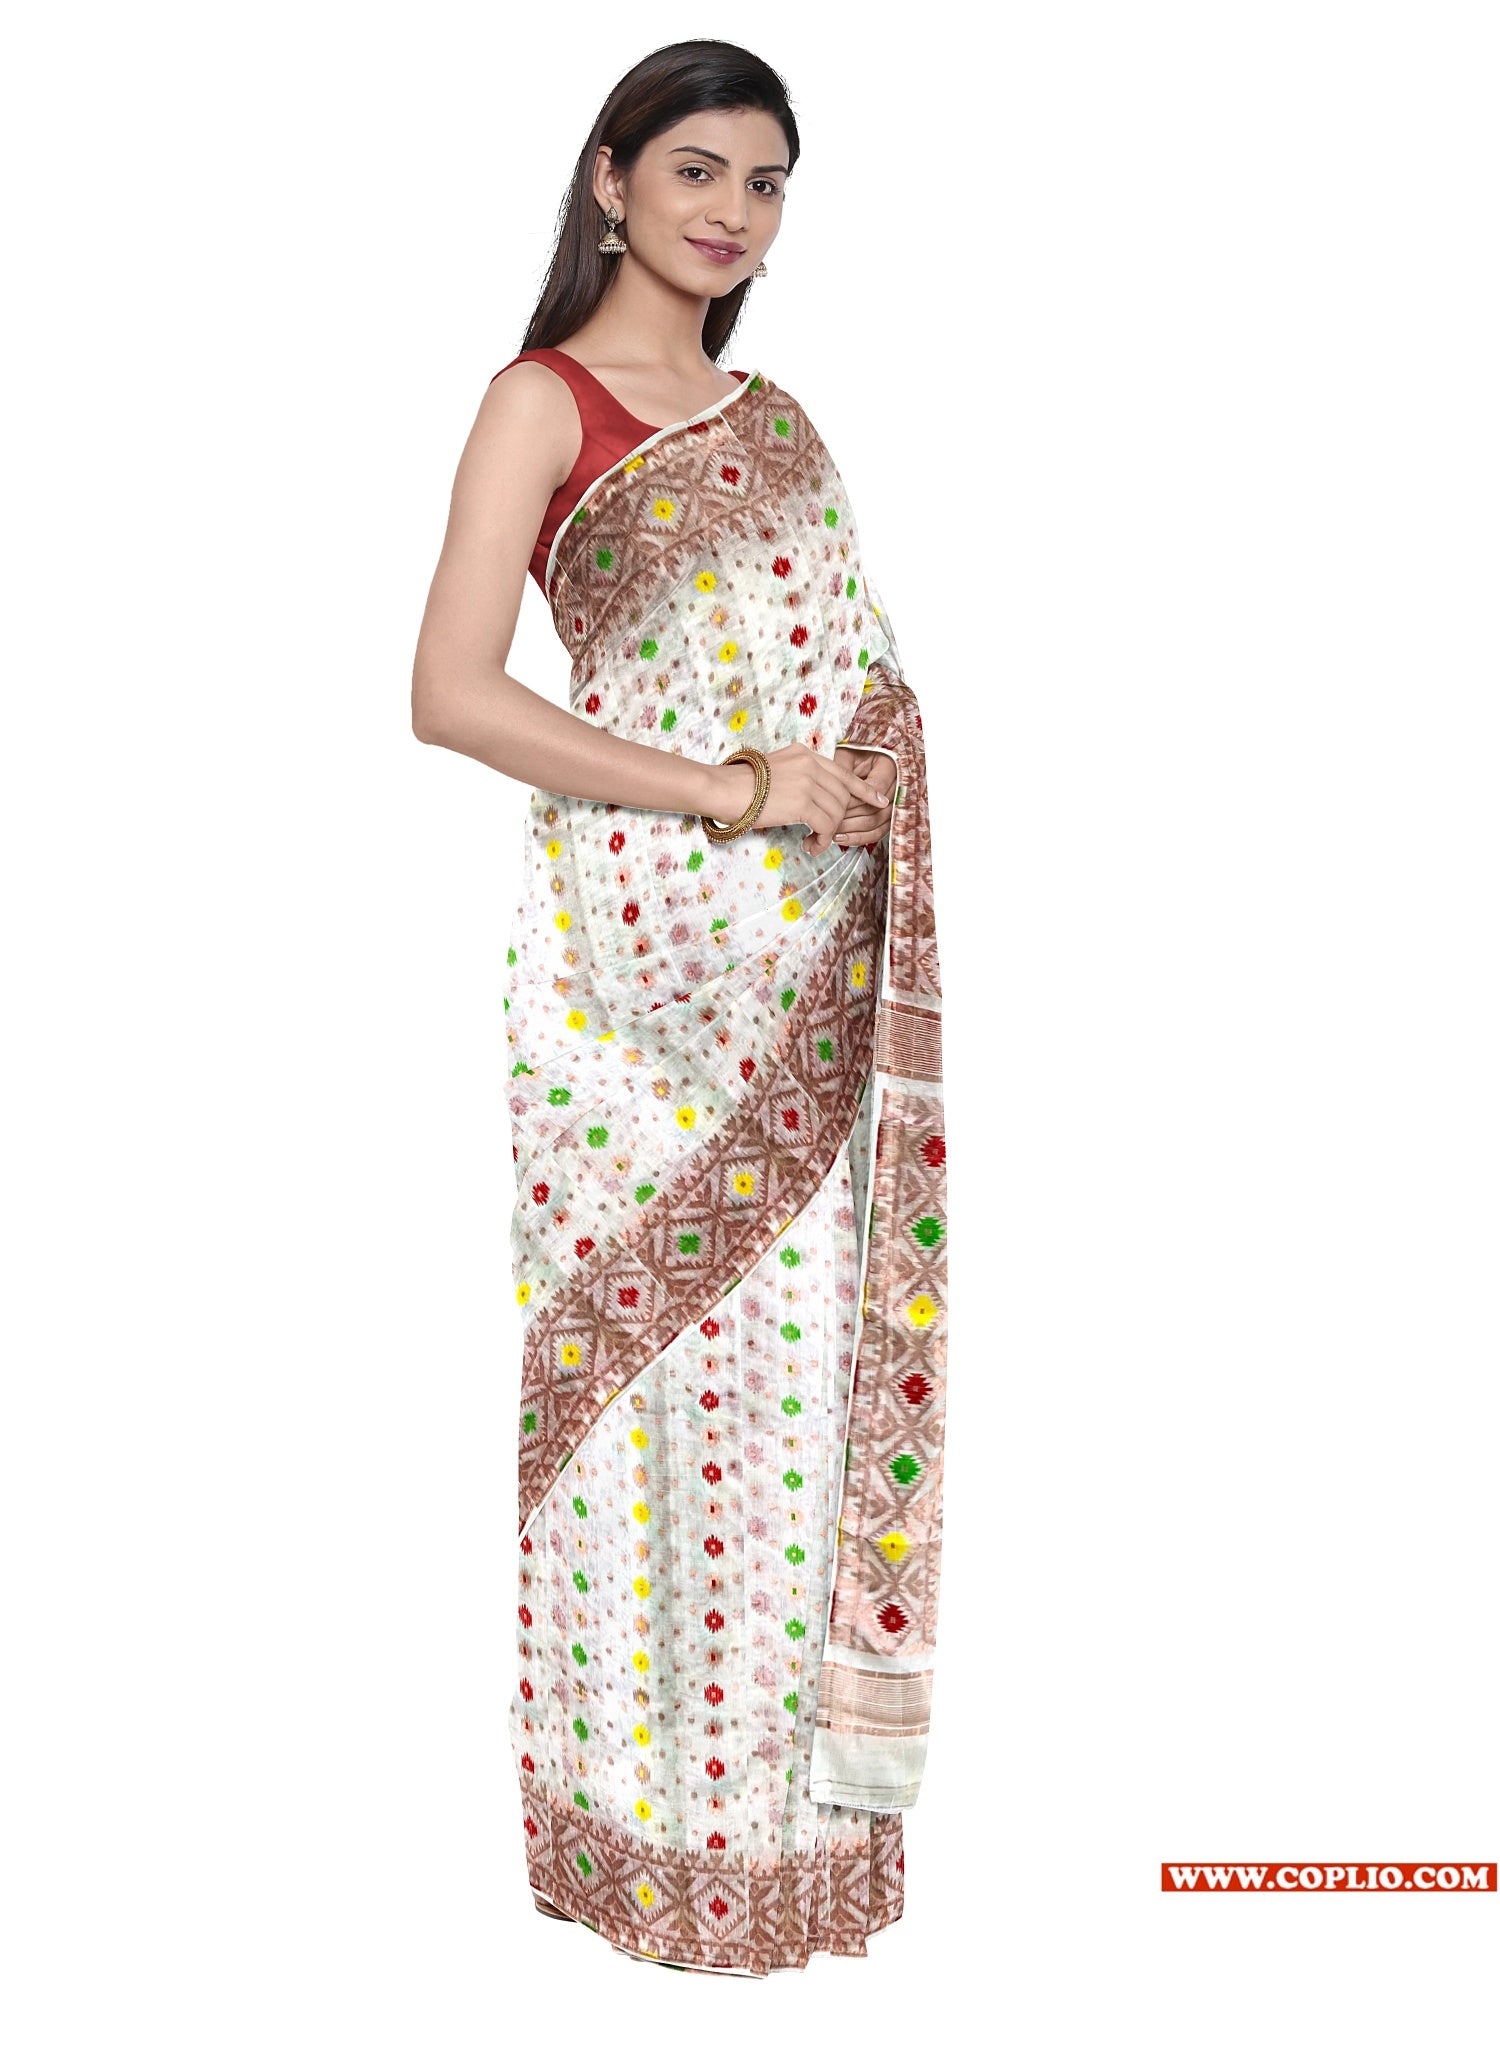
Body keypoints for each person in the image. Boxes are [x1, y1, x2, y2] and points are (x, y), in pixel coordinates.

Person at [412, 38, 948, 1976]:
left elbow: (852, 678)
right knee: (644, 1407)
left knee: (799, 1397)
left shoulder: (779, 420)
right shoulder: (539, 403)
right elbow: (452, 691)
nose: (733, 211)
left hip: (806, 978)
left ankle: (786, 1846)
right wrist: (741, 788)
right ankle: (634, 1834)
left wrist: (860, 768)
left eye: (767, 181)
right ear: (612, 179)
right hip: (636, 990)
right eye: (699, 168)